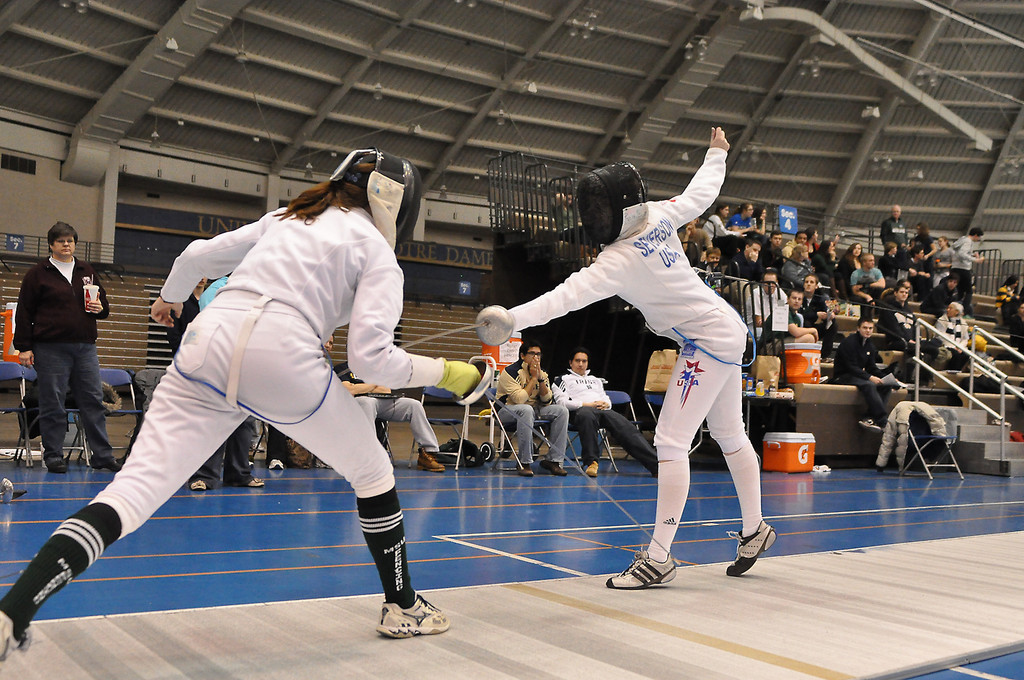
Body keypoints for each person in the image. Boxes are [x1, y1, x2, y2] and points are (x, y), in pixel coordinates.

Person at [0, 148, 482, 658]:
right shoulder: (378, 254)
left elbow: (195, 256)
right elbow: (372, 360)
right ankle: (402, 605)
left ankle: (12, 612)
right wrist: (452, 373)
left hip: (209, 340)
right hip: (283, 357)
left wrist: (171, 297)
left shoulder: (287, 217)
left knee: (131, 493)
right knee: (373, 472)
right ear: (398, 205)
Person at [508, 127, 775, 587]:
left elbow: (561, 299)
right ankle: (755, 529)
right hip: (723, 330)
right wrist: (716, 154)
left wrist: (511, 319)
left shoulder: (618, 260)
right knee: (729, 433)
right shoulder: (659, 216)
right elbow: (700, 194)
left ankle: (658, 557)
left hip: (707, 339)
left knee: (671, 441)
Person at [13, 221, 122, 475]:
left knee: (93, 400)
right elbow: (24, 312)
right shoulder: (37, 274)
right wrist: (24, 347)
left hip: (85, 347)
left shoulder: (86, 270)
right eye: (61, 241)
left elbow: (103, 305)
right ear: (51, 245)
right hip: (50, 348)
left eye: (70, 241)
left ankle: (102, 456)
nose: (66, 245)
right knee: (53, 402)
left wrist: (101, 308)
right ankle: (53, 455)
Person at [552, 348, 658, 478]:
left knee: (625, 426)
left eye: (584, 361)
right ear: (570, 363)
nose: (581, 364)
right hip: (579, 412)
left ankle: (656, 465)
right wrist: (587, 404)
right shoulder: (563, 380)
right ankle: (591, 463)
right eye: (577, 361)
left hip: (601, 410)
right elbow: (562, 403)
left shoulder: (595, 380)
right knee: (586, 415)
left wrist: (606, 404)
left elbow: (605, 397)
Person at [335, 357, 447, 474]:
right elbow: (349, 390)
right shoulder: (342, 368)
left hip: (382, 402)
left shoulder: (375, 368)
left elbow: (385, 390)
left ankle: (428, 453)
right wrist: (374, 385)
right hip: (358, 404)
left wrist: (360, 387)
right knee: (366, 402)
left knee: (414, 405)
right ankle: (371, 455)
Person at [495, 340, 569, 477]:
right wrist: (534, 378)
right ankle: (524, 462)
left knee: (561, 411)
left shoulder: (543, 373)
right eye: (532, 354)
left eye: (538, 354)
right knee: (526, 409)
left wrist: (540, 380)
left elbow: (547, 400)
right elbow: (519, 399)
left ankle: (554, 460)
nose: (536, 358)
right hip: (507, 410)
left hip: (533, 409)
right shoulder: (510, 372)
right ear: (523, 356)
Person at [832, 317, 894, 431]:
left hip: (857, 375)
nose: (868, 331)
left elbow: (872, 367)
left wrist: (888, 378)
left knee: (886, 385)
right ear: (858, 328)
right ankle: (882, 420)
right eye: (865, 328)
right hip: (843, 376)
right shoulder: (849, 342)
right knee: (869, 384)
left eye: (870, 328)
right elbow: (850, 367)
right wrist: (869, 377)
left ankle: (869, 417)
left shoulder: (870, 345)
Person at [876, 281, 937, 365]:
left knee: (934, 350)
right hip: (896, 341)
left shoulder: (909, 311)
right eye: (901, 292)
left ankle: (924, 371)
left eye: (906, 293)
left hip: (911, 342)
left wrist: (916, 340)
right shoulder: (888, 309)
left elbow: (915, 326)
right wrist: (908, 340)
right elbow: (894, 328)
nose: (904, 294)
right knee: (914, 349)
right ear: (895, 293)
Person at [800, 274, 837, 360]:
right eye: (806, 282)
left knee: (833, 324)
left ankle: (824, 355)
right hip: (803, 326)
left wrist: (829, 315)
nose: (808, 284)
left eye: (811, 282)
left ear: (816, 286)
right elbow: (800, 314)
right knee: (807, 322)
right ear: (803, 285)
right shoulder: (799, 296)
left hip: (817, 326)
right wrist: (816, 314)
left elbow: (828, 310)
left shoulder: (822, 297)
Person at [950, 227, 985, 316]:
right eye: (979, 237)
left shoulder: (962, 239)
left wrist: (972, 254)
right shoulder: (968, 241)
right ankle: (964, 311)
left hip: (955, 267)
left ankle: (955, 308)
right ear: (976, 235)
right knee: (969, 291)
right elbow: (962, 254)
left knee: (960, 291)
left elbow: (960, 252)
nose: (978, 239)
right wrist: (975, 260)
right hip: (964, 269)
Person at [933, 302, 971, 372]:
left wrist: (960, 347)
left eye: (950, 308)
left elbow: (965, 338)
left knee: (965, 355)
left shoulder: (963, 323)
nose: (947, 310)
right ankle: (950, 371)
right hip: (946, 345)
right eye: (948, 308)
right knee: (955, 354)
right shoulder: (942, 320)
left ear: (957, 312)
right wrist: (954, 347)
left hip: (959, 346)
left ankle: (957, 372)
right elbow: (941, 336)